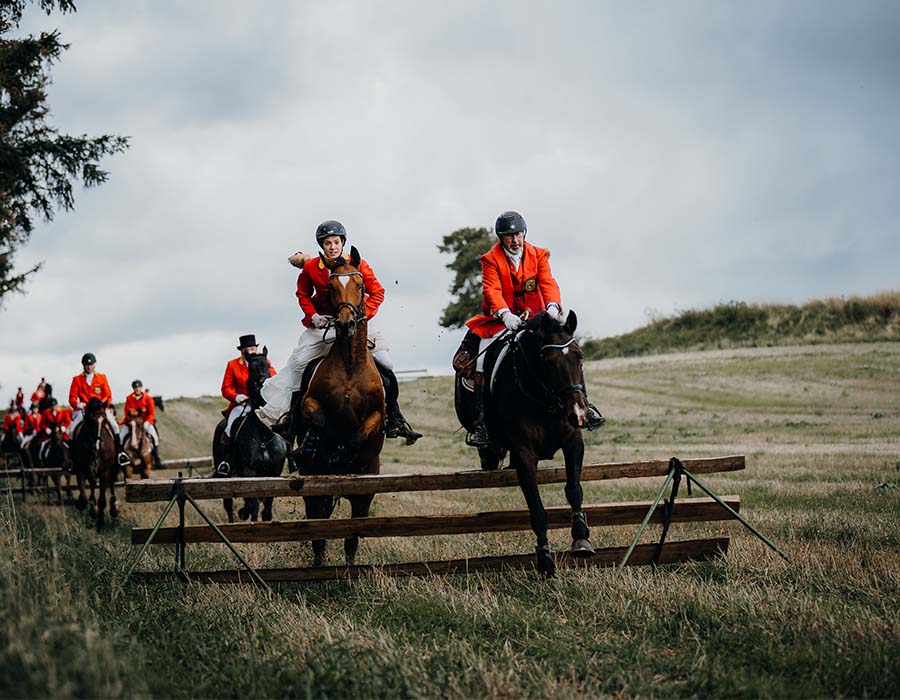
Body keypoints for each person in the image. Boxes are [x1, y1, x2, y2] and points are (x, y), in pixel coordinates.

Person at [257, 220, 422, 444]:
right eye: (328, 243)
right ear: (322, 245)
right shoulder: (311, 268)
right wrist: (314, 316)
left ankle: (395, 417)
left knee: (387, 364)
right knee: (299, 363)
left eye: (336, 242)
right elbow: (302, 295)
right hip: (325, 324)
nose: (333, 246)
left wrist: (364, 317)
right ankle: (292, 420)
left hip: (357, 322)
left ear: (342, 243)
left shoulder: (358, 265)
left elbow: (378, 292)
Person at [454, 210, 604, 446]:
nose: (514, 240)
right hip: (499, 322)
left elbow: (547, 282)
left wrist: (553, 305)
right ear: (500, 238)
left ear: (524, 233)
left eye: (518, 234)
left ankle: (586, 406)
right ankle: (482, 421)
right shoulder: (490, 260)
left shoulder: (539, 254)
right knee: (482, 361)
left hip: (537, 319)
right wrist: (505, 314)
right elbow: (492, 291)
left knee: (568, 353)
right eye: (508, 236)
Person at [68, 353, 129, 466]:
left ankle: (120, 454)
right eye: (87, 365)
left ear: (95, 365)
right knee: (71, 430)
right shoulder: (77, 379)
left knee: (115, 426)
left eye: (91, 364)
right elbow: (72, 397)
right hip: (85, 410)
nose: (89, 367)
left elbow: (108, 395)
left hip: (100, 410)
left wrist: (102, 404)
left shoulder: (102, 377)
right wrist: (77, 404)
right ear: (83, 365)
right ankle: (71, 459)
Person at [220, 335, 276, 443]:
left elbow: (274, 378)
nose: (250, 352)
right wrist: (236, 397)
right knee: (230, 425)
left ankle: (289, 452)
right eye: (247, 350)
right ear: (242, 351)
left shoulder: (265, 362)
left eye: (252, 349)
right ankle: (228, 450)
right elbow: (226, 388)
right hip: (243, 404)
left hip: (263, 402)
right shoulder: (233, 365)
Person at [120, 380, 161, 467]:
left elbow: (152, 413)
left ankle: (156, 457)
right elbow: (127, 413)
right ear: (133, 388)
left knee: (155, 437)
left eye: (138, 387)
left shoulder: (148, 398)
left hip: (146, 422)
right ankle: (121, 457)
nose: (137, 389)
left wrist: (147, 422)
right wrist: (130, 421)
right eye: (135, 387)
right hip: (132, 423)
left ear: (141, 388)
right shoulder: (129, 398)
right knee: (121, 437)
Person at [38, 398, 71, 463]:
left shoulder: (62, 411)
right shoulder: (46, 412)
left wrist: (64, 427)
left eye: (55, 406)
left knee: (68, 446)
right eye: (52, 406)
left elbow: (68, 421)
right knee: (43, 445)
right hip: (50, 434)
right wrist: (46, 429)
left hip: (61, 434)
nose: (54, 407)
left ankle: (69, 460)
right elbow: (42, 423)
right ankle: (42, 458)